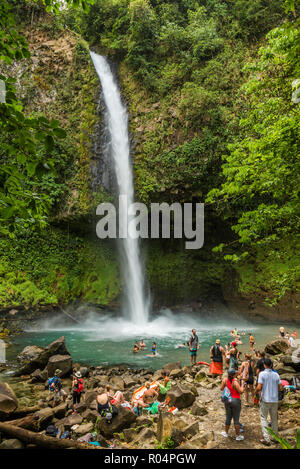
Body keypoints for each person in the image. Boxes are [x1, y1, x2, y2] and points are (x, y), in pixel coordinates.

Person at [256, 357, 283, 446]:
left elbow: (259, 387)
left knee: (264, 418)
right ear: (271, 365)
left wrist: (256, 392)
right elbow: (281, 387)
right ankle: (275, 438)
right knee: (274, 418)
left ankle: (266, 438)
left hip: (265, 399)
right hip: (274, 400)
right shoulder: (276, 375)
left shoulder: (262, 374)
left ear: (264, 365)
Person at [220, 368, 244, 441]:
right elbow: (241, 391)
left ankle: (226, 433)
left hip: (227, 400)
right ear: (234, 375)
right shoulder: (235, 382)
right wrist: (243, 384)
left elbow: (221, 388)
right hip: (236, 401)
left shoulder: (225, 380)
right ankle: (238, 436)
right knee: (236, 419)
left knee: (228, 417)